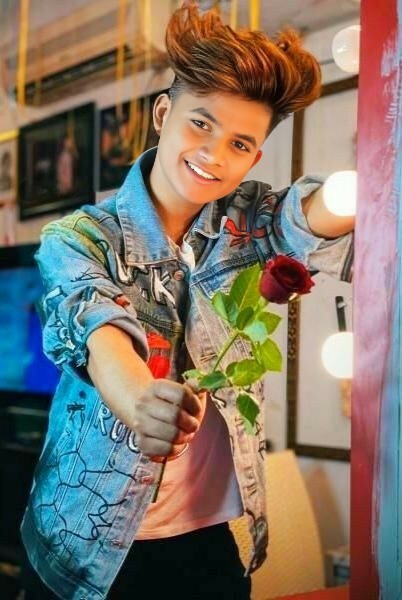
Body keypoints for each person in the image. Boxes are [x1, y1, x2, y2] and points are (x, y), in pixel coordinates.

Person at [19, 4, 354, 599]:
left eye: (239, 143)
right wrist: (139, 400)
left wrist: (364, 186)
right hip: (86, 543)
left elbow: (310, 217)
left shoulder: (249, 220)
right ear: (162, 113)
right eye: (201, 123)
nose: (214, 154)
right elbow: (95, 324)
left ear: (254, 157)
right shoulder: (78, 237)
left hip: (206, 540)